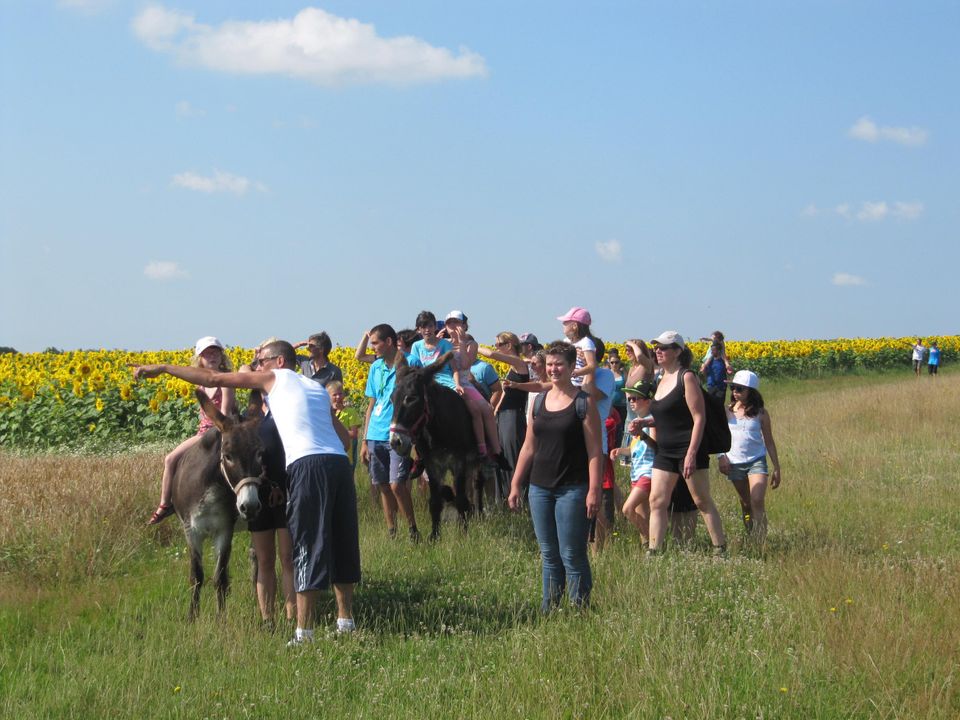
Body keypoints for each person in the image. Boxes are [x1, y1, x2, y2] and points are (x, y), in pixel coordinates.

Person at [132, 340, 358, 646]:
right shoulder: (315, 388)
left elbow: (212, 379)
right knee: (342, 541)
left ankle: (304, 634)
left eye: (261, 360)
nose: (256, 366)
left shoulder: (275, 378)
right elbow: (344, 439)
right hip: (339, 465)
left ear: (279, 362)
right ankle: (346, 622)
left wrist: (161, 368)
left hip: (309, 464)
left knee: (306, 546)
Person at [508, 341, 603, 612]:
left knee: (572, 554)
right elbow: (528, 446)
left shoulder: (583, 403)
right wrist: (516, 483)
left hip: (573, 489)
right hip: (539, 488)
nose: (553, 369)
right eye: (550, 364)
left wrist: (594, 489)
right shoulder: (538, 401)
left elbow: (595, 449)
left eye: (559, 364)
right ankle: (549, 609)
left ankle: (578, 610)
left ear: (573, 367)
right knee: (549, 555)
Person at [646, 331, 727, 555]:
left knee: (701, 500)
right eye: (657, 347)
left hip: (688, 448)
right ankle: (654, 551)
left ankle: (720, 548)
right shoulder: (660, 378)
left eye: (664, 347)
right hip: (664, 450)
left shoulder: (687, 377)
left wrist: (691, 454)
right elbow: (666, 415)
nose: (658, 351)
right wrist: (643, 422)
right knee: (656, 501)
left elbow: (699, 417)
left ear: (678, 351)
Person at [147, 336, 236, 525]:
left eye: (215, 352)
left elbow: (225, 413)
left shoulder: (227, 380)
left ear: (222, 355)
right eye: (207, 353)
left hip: (221, 429)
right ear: (200, 358)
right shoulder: (200, 382)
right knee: (170, 459)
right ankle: (165, 504)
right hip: (203, 432)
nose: (211, 356)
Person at [241, 345, 295, 627]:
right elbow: (242, 373)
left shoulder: (286, 402)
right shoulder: (251, 412)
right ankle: (267, 619)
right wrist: (256, 363)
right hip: (259, 491)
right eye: (258, 365)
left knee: (287, 557)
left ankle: (291, 617)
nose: (259, 369)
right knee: (264, 559)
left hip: (286, 487)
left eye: (263, 363)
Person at [360, 324, 420, 541]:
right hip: (376, 432)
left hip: (398, 431)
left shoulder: (410, 362)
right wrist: (365, 440)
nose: (372, 347)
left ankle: (412, 529)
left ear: (388, 342)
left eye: (375, 343)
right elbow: (371, 403)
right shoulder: (375, 368)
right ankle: (392, 531)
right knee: (383, 484)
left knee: (397, 484)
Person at [718, 370, 782, 542]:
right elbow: (718, 437)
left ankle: (760, 541)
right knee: (746, 504)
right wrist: (721, 457)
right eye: (733, 387)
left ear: (751, 391)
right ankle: (749, 532)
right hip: (734, 463)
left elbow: (769, 441)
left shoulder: (761, 413)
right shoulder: (727, 411)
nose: (735, 392)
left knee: (757, 499)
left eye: (739, 388)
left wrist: (777, 467)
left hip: (756, 461)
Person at [442, 310, 508, 466]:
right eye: (449, 323)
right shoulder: (443, 343)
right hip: (446, 380)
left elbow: (465, 365)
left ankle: (495, 451)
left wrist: (462, 343)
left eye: (456, 322)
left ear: (464, 325)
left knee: (486, 409)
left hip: (464, 381)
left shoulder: (471, 344)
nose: (453, 326)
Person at [610, 379, 656, 547]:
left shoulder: (652, 421)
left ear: (648, 401)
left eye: (635, 398)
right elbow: (634, 449)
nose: (631, 402)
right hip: (636, 473)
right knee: (641, 514)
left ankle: (655, 541)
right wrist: (619, 451)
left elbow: (658, 447)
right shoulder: (637, 420)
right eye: (630, 399)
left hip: (648, 472)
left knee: (627, 509)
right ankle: (648, 547)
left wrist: (642, 433)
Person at [478, 332, 530, 475]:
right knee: (501, 451)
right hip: (504, 414)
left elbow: (490, 354)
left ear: (509, 345)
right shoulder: (513, 366)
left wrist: (472, 346)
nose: (496, 348)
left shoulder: (518, 363)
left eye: (498, 345)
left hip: (512, 414)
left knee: (510, 452)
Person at [327, 380, 364, 474]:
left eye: (340, 394)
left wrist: (337, 430)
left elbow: (354, 434)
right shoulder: (325, 413)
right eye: (334, 395)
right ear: (328, 397)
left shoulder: (350, 412)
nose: (338, 397)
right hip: (329, 454)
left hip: (346, 455)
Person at [557, 307, 598, 388]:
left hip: (578, 386)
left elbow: (592, 366)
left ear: (574, 326)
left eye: (565, 322)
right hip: (565, 384)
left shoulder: (586, 342)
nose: (563, 324)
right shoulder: (566, 341)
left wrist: (575, 373)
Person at [606, 348, 628, 448]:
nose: (614, 364)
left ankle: (619, 447)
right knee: (611, 425)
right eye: (612, 362)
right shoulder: (607, 374)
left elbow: (627, 387)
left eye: (616, 362)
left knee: (621, 427)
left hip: (622, 404)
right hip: (610, 405)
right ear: (609, 363)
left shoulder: (623, 374)